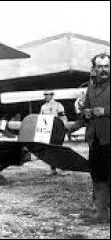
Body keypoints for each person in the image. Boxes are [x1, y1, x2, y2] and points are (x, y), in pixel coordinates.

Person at [67, 53, 110, 223]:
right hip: (96, 139)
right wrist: (83, 115)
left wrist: (105, 111)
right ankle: (101, 213)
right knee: (98, 175)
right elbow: (85, 110)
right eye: (99, 66)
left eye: (106, 66)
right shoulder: (91, 87)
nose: (103, 69)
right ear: (94, 68)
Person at [40, 89, 68, 175]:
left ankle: (63, 169)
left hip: (57, 129)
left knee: (59, 149)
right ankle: (53, 169)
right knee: (50, 150)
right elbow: (41, 119)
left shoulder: (58, 105)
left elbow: (63, 117)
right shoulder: (43, 107)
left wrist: (64, 128)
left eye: (47, 95)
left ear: (52, 95)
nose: (45, 96)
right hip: (48, 130)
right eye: (44, 95)